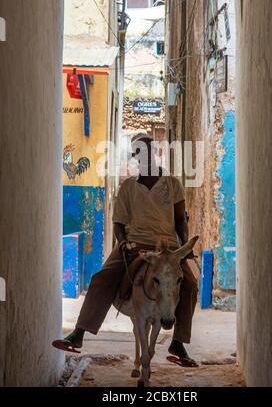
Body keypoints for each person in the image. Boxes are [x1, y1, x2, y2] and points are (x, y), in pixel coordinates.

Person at [53, 135, 198, 366]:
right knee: (102, 278)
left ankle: (178, 343)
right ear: (136, 158)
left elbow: (180, 219)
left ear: (155, 154)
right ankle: (79, 333)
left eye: (147, 152)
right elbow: (119, 223)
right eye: (138, 153)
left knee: (189, 285)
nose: (143, 157)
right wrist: (123, 242)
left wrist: (184, 246)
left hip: (167, 248)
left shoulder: (172, 184)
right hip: (135, 244)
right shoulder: (128, 187)